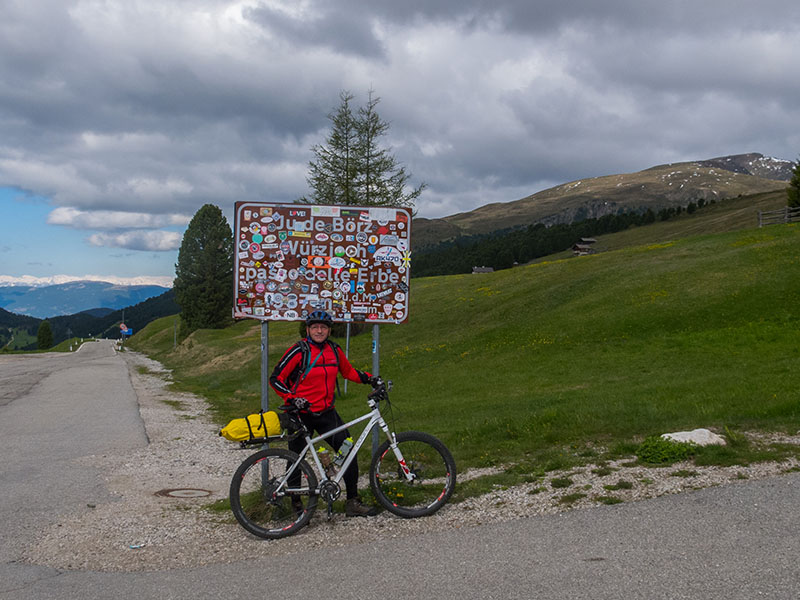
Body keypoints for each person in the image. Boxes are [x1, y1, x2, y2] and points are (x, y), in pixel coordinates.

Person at [269, 310, 378, 517]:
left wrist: (370, 379)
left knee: (348, 452)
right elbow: (276, 378)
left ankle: (352, 502)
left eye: (324, 327)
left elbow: (348, 372)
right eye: (315, 327)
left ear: (329, 330)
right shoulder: (298, 350)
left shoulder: (334, 350)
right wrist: (291, 398)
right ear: (308, 329)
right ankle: (297, 506)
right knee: (295, 459)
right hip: (300, 413)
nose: (319, 331)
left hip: (327, 413)